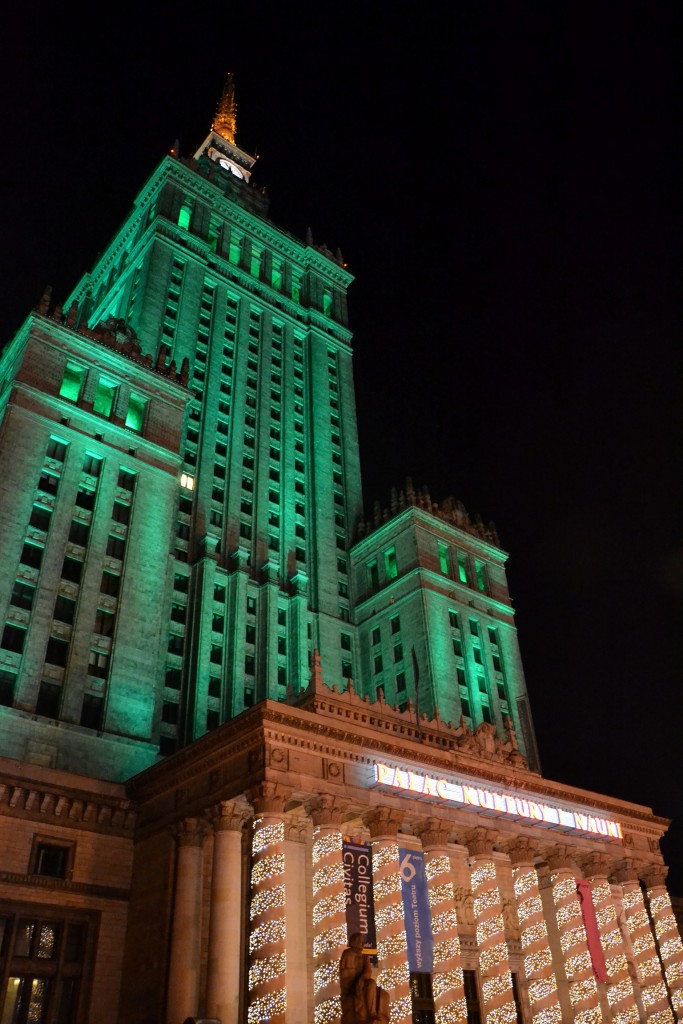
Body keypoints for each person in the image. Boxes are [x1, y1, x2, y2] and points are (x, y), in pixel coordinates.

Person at [353, 957, 390, 1024]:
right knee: (371, 983)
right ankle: (372, 1014)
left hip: (365, 986)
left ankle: (378, 1017)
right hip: (360, 989)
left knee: (384, 995)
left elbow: (368, 972)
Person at [340, 933, 365, 1024]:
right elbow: (346, 975)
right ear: (355, 942)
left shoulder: (364, 956)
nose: (363, 943)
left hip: (361, 984)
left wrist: (362, 979)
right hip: (350, 986)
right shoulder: (348, 953)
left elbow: (367, 971)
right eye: (361, 941)